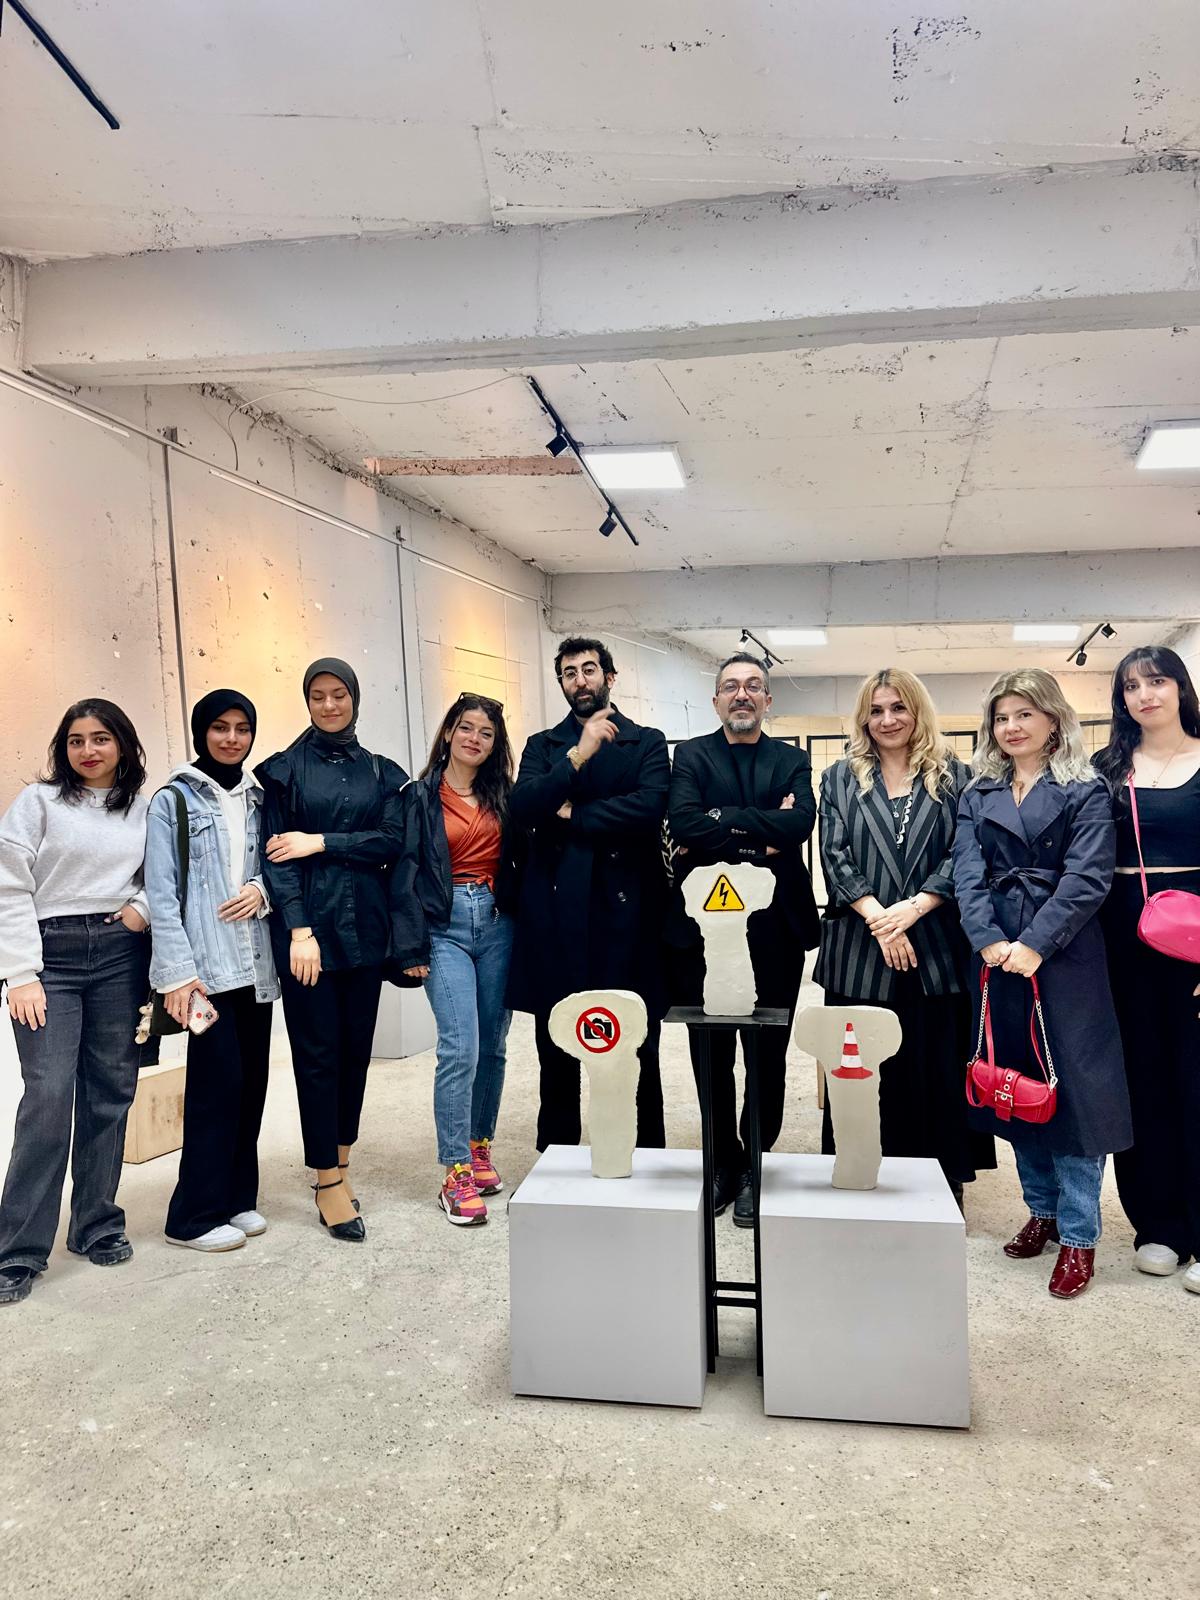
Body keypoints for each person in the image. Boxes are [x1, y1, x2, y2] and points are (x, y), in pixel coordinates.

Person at [953, 668, 1130, 1300]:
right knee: (1015, 1086)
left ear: (1054, 719)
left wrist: (1035, 944)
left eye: (1025, 714)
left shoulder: (1086, 788)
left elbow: (1088, 877)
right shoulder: (978, 792)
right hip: (998, 954)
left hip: (1065, 955)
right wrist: (988, 938)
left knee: (1076, 1095)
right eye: (1002, 717)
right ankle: (1042, 1212)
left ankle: (1080, 1237)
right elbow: (967, 872)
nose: (1012, 727)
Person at [815, 669, 994, 1205]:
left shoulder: (957, 775)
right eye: (876, 710)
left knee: (934, 1066)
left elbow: (964, 854)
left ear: (918, 712)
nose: (887, 719)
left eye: (898, 708)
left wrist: (913, 909)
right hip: (860, 949)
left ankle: (941, 1181)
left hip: (933, 943)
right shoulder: (839, 777)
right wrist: (881, 920)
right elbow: (834, 856)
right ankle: (858, 1169)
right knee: (860, 1067)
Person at [0, 699, 151, 1306]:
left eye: (101, 738)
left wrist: (140, 910)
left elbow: (164, 875)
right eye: (76, 740)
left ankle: (95, 1222)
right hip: (50, 958)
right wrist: (19, 972)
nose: (88, 750)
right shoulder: (38, 803)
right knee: (48, 1096)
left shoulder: (142, 808)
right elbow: (8, 883)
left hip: (118, 953)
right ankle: (18, 1248)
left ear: (123, 745)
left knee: (111, 1089)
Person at [256, 658, 407, 1242]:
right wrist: (299, 930)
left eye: (338, 694)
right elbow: (277, 858)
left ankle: (341, 1164)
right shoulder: (284, 771)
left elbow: (390, 841)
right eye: (317, 695)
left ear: (354, 698)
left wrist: (320, 840)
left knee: (355, 1052)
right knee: (317, 1056)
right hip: (309, 936)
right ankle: (325, 1181)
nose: (328, 705)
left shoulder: (381, 772)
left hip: (365, 931)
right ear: (307, 701)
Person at [668, 652, 819, 1225]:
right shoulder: (691, 755)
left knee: (766, 1054)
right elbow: (684, 821)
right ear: (716, 700)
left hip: (776, 928)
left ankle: (754, 1161)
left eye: (753, 685)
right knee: (710, 1053)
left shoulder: (792, 759)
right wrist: (761, 834)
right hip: (702, 931)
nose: (742, 694)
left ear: (767, 700)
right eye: (730, 685)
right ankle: (721, 1162)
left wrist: (722, 823)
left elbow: (799, 823)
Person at [507, 637, 670, 1152]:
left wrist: (574, 813)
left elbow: (649, 808)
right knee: (558, 1045)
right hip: (558, 914)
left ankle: (645, 1154)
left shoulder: (646, 742)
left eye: (590, 670)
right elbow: (524, 806)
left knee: (635, 1043)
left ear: (610, 677)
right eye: (570, 672)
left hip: (629, 913)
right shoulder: (544, 745)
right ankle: (558, 1158)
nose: (580, 680)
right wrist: (578, 755)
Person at [144, 690, 279, 1253]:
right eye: (220, 727)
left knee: (251, 1087)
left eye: (242, 728)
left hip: (255, 967)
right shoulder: (173, 800)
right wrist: (178, 975)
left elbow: (273, 865)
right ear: (202, 732)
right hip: (204, 975)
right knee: (214, 1089)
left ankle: (236, 1198)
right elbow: (161, 892)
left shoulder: (258, 796)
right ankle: (193, 1217)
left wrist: (262, 890)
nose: (231, 738)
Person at [1095, 646, 1200, 1293]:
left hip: (1194, 942)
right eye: (1131, 687)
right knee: (1140, 1085)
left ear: (1180, 687)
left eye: (1157, 681)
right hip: (1121, 944)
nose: (1145, 695)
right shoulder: (1108, 768)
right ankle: (1158, 1226)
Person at [392, 693, 519, 1226]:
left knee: (492, 1044)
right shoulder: (419, 796)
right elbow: (402, 871)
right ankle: (455, 1169)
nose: (474, 739)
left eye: (486, 733)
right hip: (443, 928)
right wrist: (410, 945)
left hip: (498, 923)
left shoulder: (503, 795)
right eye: (466, 728)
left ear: (495, 744)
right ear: (448, 733)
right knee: (460, 1045)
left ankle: (479, 1144)